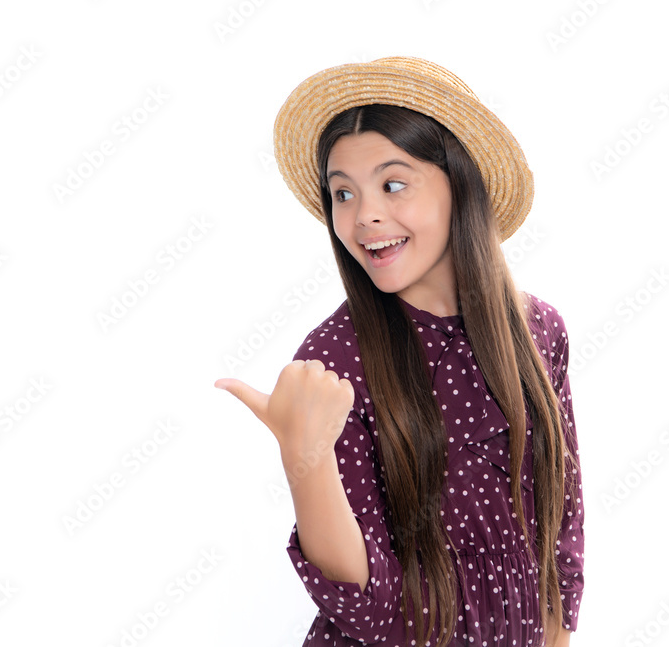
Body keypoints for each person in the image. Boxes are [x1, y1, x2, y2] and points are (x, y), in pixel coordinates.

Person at [215, 56, 584, 647]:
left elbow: (560, 527)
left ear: (459, 185)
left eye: (392, 184)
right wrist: (303, 455)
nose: (365, 216)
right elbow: (373, 613)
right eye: (342, 193)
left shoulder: (540, 330)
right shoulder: (335, 361)